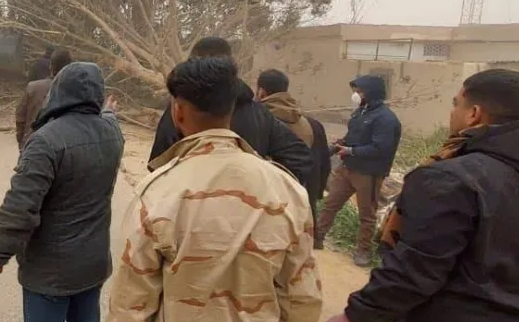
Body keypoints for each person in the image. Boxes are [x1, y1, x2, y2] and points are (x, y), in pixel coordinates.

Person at [106, 57, 322, 322]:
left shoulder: (160, 191)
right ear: (231, 109)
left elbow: (130, 304)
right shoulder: (286, 191)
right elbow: (302, 295)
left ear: (178, 111)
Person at [314, 69, 519, 322]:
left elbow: (416, 268)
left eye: (456, 103)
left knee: (366, 214)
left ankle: (360, 251)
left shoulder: (454, 178)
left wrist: (354, 317)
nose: (451, 112)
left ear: (474, 113)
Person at [0, 61, 124, 322]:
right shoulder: (112, 135)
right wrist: (109, 113)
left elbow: (21, 206)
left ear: (59, 90)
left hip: (48, 270)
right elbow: (109, 121)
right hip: (92, 264)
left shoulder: (45, 140)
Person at [148, 37, 312, 185]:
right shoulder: (259, 113)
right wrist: (261, 193)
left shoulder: (182, 110)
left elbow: (157, 166)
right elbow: (299, 158)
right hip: (246, 213)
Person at [314, 74, 401, 266]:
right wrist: (342, 144)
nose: (356, 95)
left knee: (367, 215)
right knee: (330, 204)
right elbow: (354, 136)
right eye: (356, 91)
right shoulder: (361, 113)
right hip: (347, 169)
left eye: (360, 91)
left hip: (368, 174)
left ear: (372, 93)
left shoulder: (385, 119)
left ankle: (363, 252)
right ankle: (317, 236)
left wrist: (351, 150)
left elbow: (381, 148)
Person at [256, 69, 332, 224]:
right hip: (301, 201)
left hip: (266, 203)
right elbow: (323, 164)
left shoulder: (255, 119)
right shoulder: (312, 124)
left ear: (261, 92)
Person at [15, 49, 72, 149]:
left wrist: (22, 143)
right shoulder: (75, 91)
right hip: (62, 150)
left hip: (31, 146)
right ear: (70, 67)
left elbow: (20, 117)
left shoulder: (32, 87)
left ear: (50, 66)